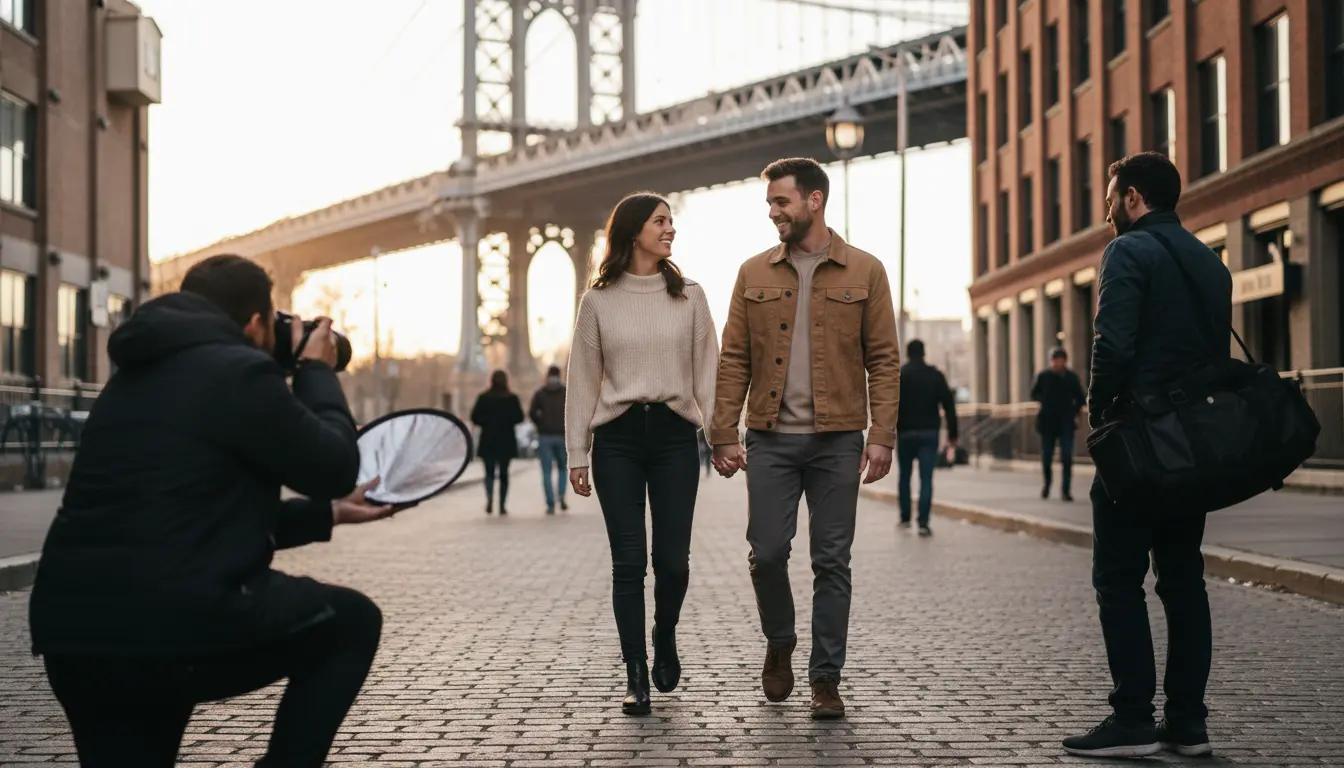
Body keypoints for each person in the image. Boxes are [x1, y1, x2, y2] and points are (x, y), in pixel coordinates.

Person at [27, 253, 396, 768]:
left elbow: (192, 517)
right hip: (173, 627)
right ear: (255, 323)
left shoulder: (131, 376)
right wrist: (314, 368)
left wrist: (328, 514)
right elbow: (335, 466)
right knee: (352, 623)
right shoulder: (239, 372)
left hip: (76, 635)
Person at [711, 157, 900, 719]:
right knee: (767, 554)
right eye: (770, 203)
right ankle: (780, 640)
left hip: (838, 440)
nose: (773, 213)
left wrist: (881, 435)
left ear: (814, 201)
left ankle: (825, 679)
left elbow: (884, 360)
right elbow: (734, 358)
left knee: (832, 561)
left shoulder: (866, 270)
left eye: (781, 202)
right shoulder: (753, 273)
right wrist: (723, 432)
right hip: (769, 439)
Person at [1062, 152, 1227, 758]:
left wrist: (1099, 415)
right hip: (1194, 444)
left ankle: (1132, 718)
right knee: (1184, 581)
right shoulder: (1209, 261)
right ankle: (1187, 724)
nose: (1107, 211)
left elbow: (1113, 343)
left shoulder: (1127, 251)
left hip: (1138, 441)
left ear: (1133, 197)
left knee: (1118, 578)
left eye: (1111, 198)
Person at [565, 191, 718, 716]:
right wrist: (577, 451)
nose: (670, 229)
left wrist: (723, 436)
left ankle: (664, 630)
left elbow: (709, 371)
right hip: (618, 440)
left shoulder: (690, 296)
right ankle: (635, 672)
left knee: (672, 562)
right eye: (660, 221)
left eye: (671, 221)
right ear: (634, 232)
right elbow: (582, 379)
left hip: (674, 436)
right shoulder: (598, 301)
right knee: (628, 562)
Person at [895, 338, 958, 536]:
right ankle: (923, 521)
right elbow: (949, 405)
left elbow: (890, 405)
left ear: (907, 353)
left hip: (905, 432)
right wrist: (953, 434)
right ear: (924, 353)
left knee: (904, 476)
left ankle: (905, 517)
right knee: (927, 478)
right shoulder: (935, 375)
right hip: (929, 432)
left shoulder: (900, 375)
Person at [1031, 347, 1086, 501]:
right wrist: (1045, 401)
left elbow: (1081, 398)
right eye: (1055, 360)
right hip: (1047, 421)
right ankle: (1047, 484)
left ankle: (1066, 490)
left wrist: (1076, 413)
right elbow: (1034, 394)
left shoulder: (1071, 378)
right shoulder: (1044, 376)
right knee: (1047, 457)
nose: (1058, 363)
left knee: (1067, 457)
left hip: (1066, 421)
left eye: (1061, 360)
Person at [471, 370, 525, 516]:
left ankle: (489, 499)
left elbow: (474, 417)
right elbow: (520, 417)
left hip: (488, 439)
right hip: (506, 440)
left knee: (489, 473)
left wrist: (486, 422)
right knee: (504, 474)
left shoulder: (484, 398)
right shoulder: (512, 399)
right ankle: (502, 505)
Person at [529, 364, 569, 515]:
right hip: (562, 434)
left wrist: (541, 424)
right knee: (562, 468)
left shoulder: (540, 393)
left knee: (546, 471)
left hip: (545, 435)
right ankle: (561, 495)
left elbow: (532, 412)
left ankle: (550, 503)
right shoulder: (565, 392)